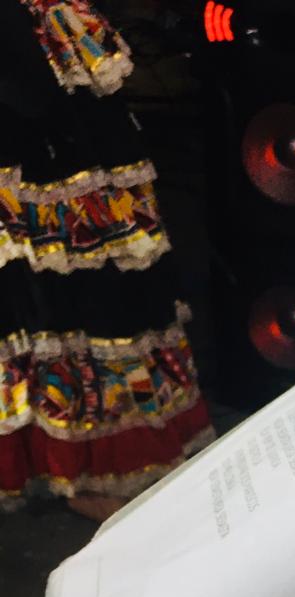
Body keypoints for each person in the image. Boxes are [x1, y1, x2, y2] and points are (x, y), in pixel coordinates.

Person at [0, 0, 213, 519]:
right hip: (28, 73)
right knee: (52, 268)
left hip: (44, 71)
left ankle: (85, 457)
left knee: (83, 260)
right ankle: (68, 458)